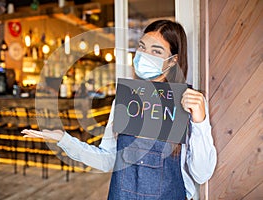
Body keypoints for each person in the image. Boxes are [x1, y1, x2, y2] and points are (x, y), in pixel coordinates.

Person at [22, 20, 217, 200]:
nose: (145, 55)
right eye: (142, 48)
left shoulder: (188, 102)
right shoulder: (126, 99)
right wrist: (64, 139)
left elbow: (202, 174)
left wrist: (200, 122)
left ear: (173, 60)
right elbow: (108, 159)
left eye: (156, 51)